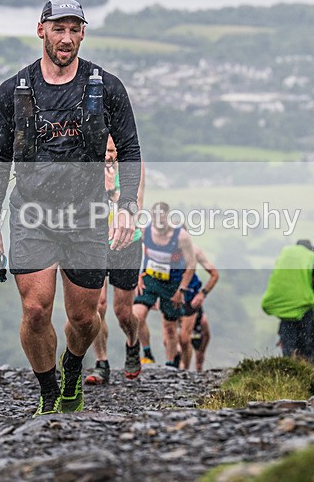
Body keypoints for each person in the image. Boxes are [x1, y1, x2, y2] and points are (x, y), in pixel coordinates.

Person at [0, 0, 142, 417]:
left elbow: (129, 149)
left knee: (85, 318)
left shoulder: (107, 87)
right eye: (58, 29)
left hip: (87, 216)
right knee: (35, 309)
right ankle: (50, 393)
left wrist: (126, 206)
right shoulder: (13, 92)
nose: (66, 38)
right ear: (41, 31)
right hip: (32, 214)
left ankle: (73, 368)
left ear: (83, 33)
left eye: (74, 30)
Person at [85, 138, 146, 386]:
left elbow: (135, 205)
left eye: (112, 151)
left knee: (123, 312)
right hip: (95, 243)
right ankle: (101, 362)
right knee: (97, 306)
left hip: (127, 243)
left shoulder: (134, 168)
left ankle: (132, 342)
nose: (108, 156)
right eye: (104, 150)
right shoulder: (89, 167)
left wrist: (111, 189)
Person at [133, 202, 196, 367]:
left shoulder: (181, 236)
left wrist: (181, 290)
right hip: (150, 279)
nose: (159, 225)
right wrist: (138, 275)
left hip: (173, 283)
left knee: (170, 326)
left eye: (162, 220)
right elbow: (135, 252)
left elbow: (191, 265)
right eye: (156, 220)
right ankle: (146, 353)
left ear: (168, 217)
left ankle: (170, 364)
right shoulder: (145, 230)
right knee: (136, 316)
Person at [261, 240, 314, 363]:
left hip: (286, 307)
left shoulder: (285, 255)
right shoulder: (310, 256)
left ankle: (288, 370)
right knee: (304, 344)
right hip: (304, 307)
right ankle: (303, 371)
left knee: (288, 344)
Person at [176, 245, 219, 372]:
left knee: (199, 330)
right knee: (172, 335)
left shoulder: (194, 252)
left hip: (190, 298)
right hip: (172, 298)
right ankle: (177, 367)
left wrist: (202, 294)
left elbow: (214, 274)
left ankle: (196, 363)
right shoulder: (163, 249)